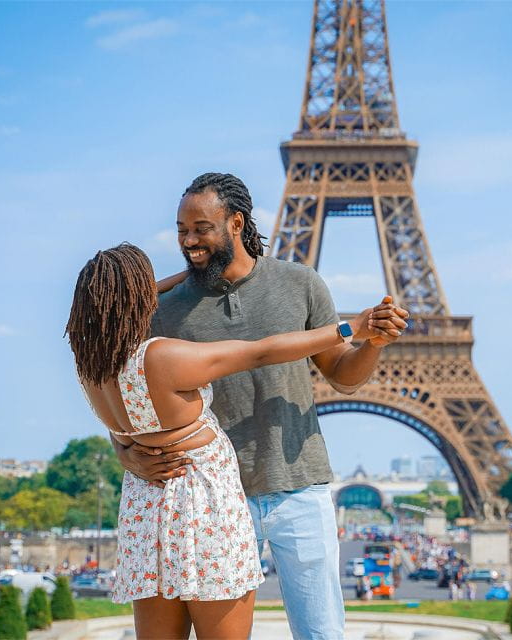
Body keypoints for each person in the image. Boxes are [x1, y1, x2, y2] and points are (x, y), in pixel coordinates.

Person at [113, 172, 410, 639]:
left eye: (201, 229)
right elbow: (129, 392)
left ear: (236, 222)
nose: (188, 241)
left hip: (300, 487)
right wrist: (123, 448)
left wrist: (371, 343)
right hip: (211, 498)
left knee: (322, 634)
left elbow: (343, 375)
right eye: (182, 230)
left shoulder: (300, 284)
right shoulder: (162, 308)